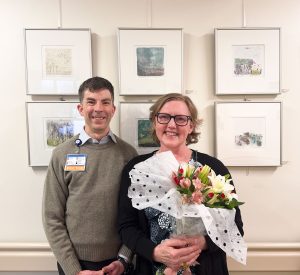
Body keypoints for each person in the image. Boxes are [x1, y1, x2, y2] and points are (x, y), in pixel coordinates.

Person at [118, 93, 244, 275]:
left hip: (206, 268)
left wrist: (202, 243)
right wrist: (155, 252)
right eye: (164, 117)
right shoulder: (136, 169)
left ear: (191, 125)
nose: (171, 125)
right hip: (151, 268)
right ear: (154, 122)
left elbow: (235, 225)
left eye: (180, 119)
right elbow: (126, 226)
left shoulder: (213, 168)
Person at [42, 76, 137, 275]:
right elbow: (52, 217)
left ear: (113, 109)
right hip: (74, 263)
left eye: (105, 102)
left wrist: (123, 258)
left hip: (118, 264)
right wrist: (73, 270)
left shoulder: (129, 155)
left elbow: (137, 213)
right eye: (91, 102)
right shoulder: (61, 154)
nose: (98, 108)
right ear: (80, 109)